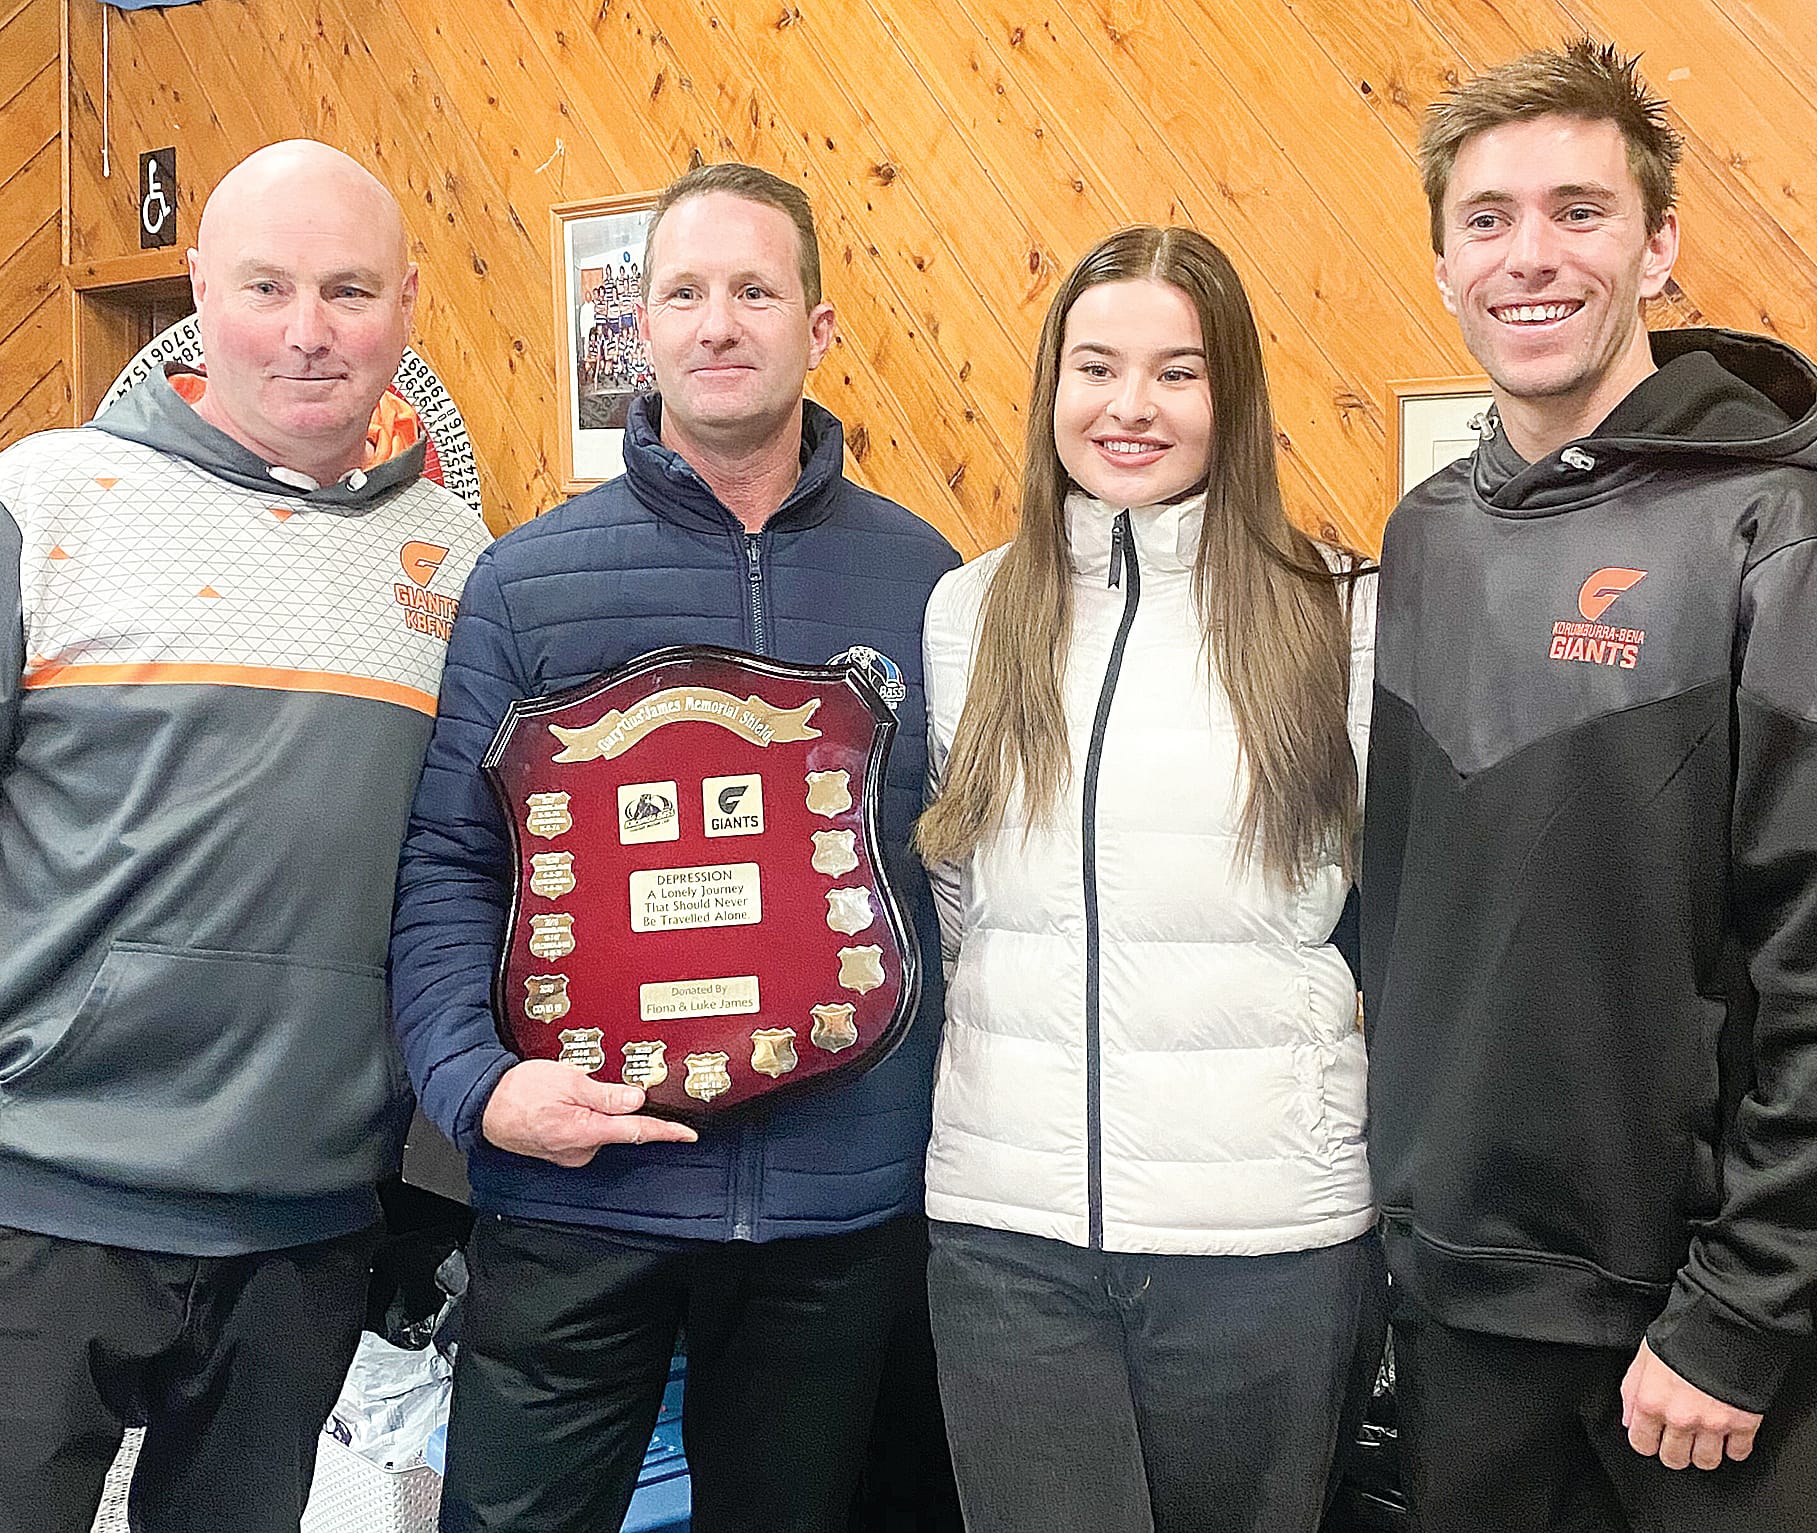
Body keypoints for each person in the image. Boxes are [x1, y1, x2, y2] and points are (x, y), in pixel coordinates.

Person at [0, 141, 488, 1532]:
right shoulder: (34, 509)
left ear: (407, 304)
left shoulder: (464, 568)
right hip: (24, 1219)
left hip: (303, 1233)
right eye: (265, 285)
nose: (306, 329)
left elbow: (462, 888)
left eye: (348, 290)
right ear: (196, 292)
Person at [390, 161, 960, 1533]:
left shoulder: (925, 575)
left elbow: (953, 865)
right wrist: (475, 1086)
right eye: (686, 292)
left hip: (835, 1205)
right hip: (581, 1189)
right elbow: (450, 867)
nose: (719, 323)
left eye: (755, 290)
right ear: (635, 328)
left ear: (816, 329)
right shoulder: (524, 579)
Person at [1362, 39, 1817, 1530]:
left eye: (1578, 209)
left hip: (1688, 1338)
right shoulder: (1423, 533)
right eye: (1485, 218)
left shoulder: (1773, 524)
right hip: (1453, 1308)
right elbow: (1414, 911)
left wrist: (1741, 1309)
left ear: (1657, 242)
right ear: (1440, 260)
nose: (1528, 256)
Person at [915, 225, 1382, 1533]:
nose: (1128, 407)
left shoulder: (1339, 611)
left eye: (1175, 373)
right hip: (1008, 1239)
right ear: (1050, 387)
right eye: (1095, 366)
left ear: (1228, 398)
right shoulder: (971, 610)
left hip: (1263, 1244)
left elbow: (1394, 920)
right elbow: (957, 908)